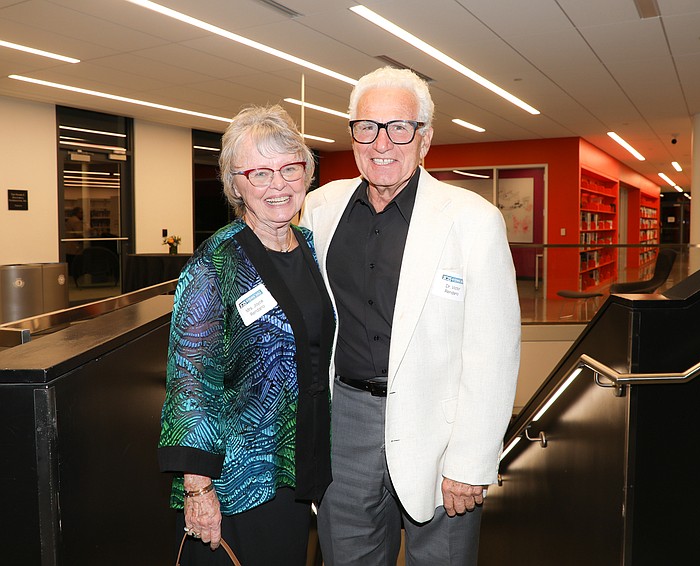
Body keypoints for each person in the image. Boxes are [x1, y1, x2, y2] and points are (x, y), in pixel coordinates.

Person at [300, 67, 521, 565]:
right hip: (345, 425)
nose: (382, 142)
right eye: (368, 127)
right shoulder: (320, 208)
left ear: (425, 140)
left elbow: (494, 351)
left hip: (440, 432)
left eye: (399, 127)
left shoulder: (472, 220)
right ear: (352, 133)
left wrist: (471, 459)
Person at [158, 104, 334, 565]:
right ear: (235, 185)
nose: (278, 185)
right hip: (236, 480)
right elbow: (190, 381)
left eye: (289, 168)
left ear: (306, 174)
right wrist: (198, 489)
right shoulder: (216, 262)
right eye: (259, 173)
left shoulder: (309, 248)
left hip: (292, 468)